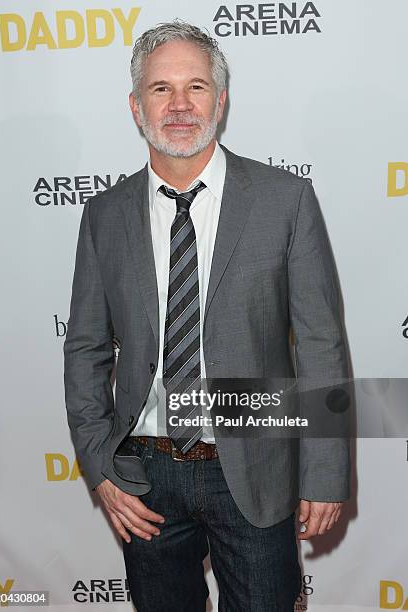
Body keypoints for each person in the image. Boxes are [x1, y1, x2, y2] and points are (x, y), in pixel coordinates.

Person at [64, 20, 350, 612]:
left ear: (220, 100)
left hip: (255, 468)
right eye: (160, 89)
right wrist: (99, 466)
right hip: (143, 473)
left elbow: (320, 344)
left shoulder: (283, 200)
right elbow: (86, 349)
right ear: (135, 105)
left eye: (195, 87)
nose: (179, 105)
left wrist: (325, 472)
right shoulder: (104, 215)